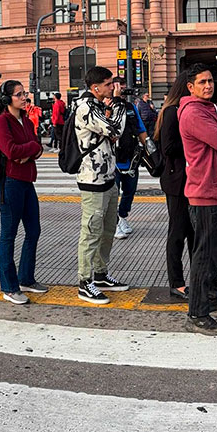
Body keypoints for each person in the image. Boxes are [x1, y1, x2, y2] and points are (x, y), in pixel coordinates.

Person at [179, 64, 217, 336]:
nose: (208, 86)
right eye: (202, 82)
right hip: (204, 192)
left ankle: (210, 295)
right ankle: (197, 313)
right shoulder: (193, 112)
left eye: (211, 80)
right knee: (205, 255)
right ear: (190, 87)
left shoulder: (210, 110)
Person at [73, 67, 130, 305]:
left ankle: (101, 273)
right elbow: (116, 129)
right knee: (91, 232)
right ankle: (85, 282)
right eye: (108, 84)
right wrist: (117, 102)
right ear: (96, 87)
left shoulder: (97, 107)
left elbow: (113, 133)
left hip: (108, 176)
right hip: (92, 179)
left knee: (107, 230)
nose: (112, 87)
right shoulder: (85, 107)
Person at [0, 79, 45, 304]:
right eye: (19, 95)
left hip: (27, 181)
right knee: (9, 235)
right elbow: (11, 151)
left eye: (25, 94)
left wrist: (30, 151)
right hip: (9, 183)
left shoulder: (26, 121)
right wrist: (30, 150)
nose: (24, 98)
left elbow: (38, 146)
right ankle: (9, 286)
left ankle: (26, 278)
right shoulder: (1, 122)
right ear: (6, 99)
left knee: (34, 230)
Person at [154, 71, 194, 302]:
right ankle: (176, 282)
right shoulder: (172, 112)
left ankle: (196, 272)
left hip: (189, 178)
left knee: (193, 230)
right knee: (178, 231)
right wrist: (194, 142)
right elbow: (168, 147)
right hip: (176, 179)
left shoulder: (184, 110)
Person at [112, 79, 149, 241]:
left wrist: (150, 150)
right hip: (112, 160)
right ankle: (113, 222)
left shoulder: (131, 108)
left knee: (129, 191)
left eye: (124, 90)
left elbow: (141, 129)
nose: (122, 93)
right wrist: (114, 101)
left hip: (131, 158)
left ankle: (122, 216)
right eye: (120, 89)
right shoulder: (106, 107)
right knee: (113, 193)